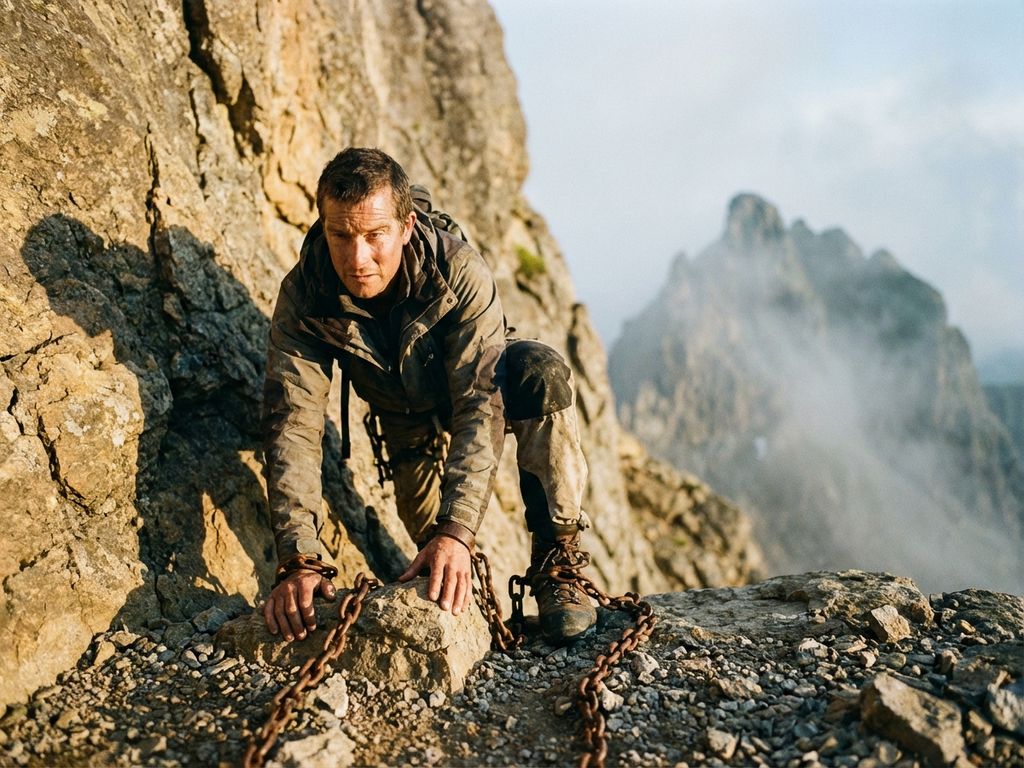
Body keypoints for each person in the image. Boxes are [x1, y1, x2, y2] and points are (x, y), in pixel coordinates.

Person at [259, 147, 597, 646]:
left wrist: (458, 529)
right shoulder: (305, 296)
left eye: (375, 236)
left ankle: (557, 564)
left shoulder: (459, 273)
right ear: (323, 224)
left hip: (475, 390)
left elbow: (480, 406)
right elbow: (293, 422)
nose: (357, 259)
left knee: (538, 371)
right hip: (403, 422)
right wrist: (298, 558)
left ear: (407, 227)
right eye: (341, 235)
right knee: (433, 560)